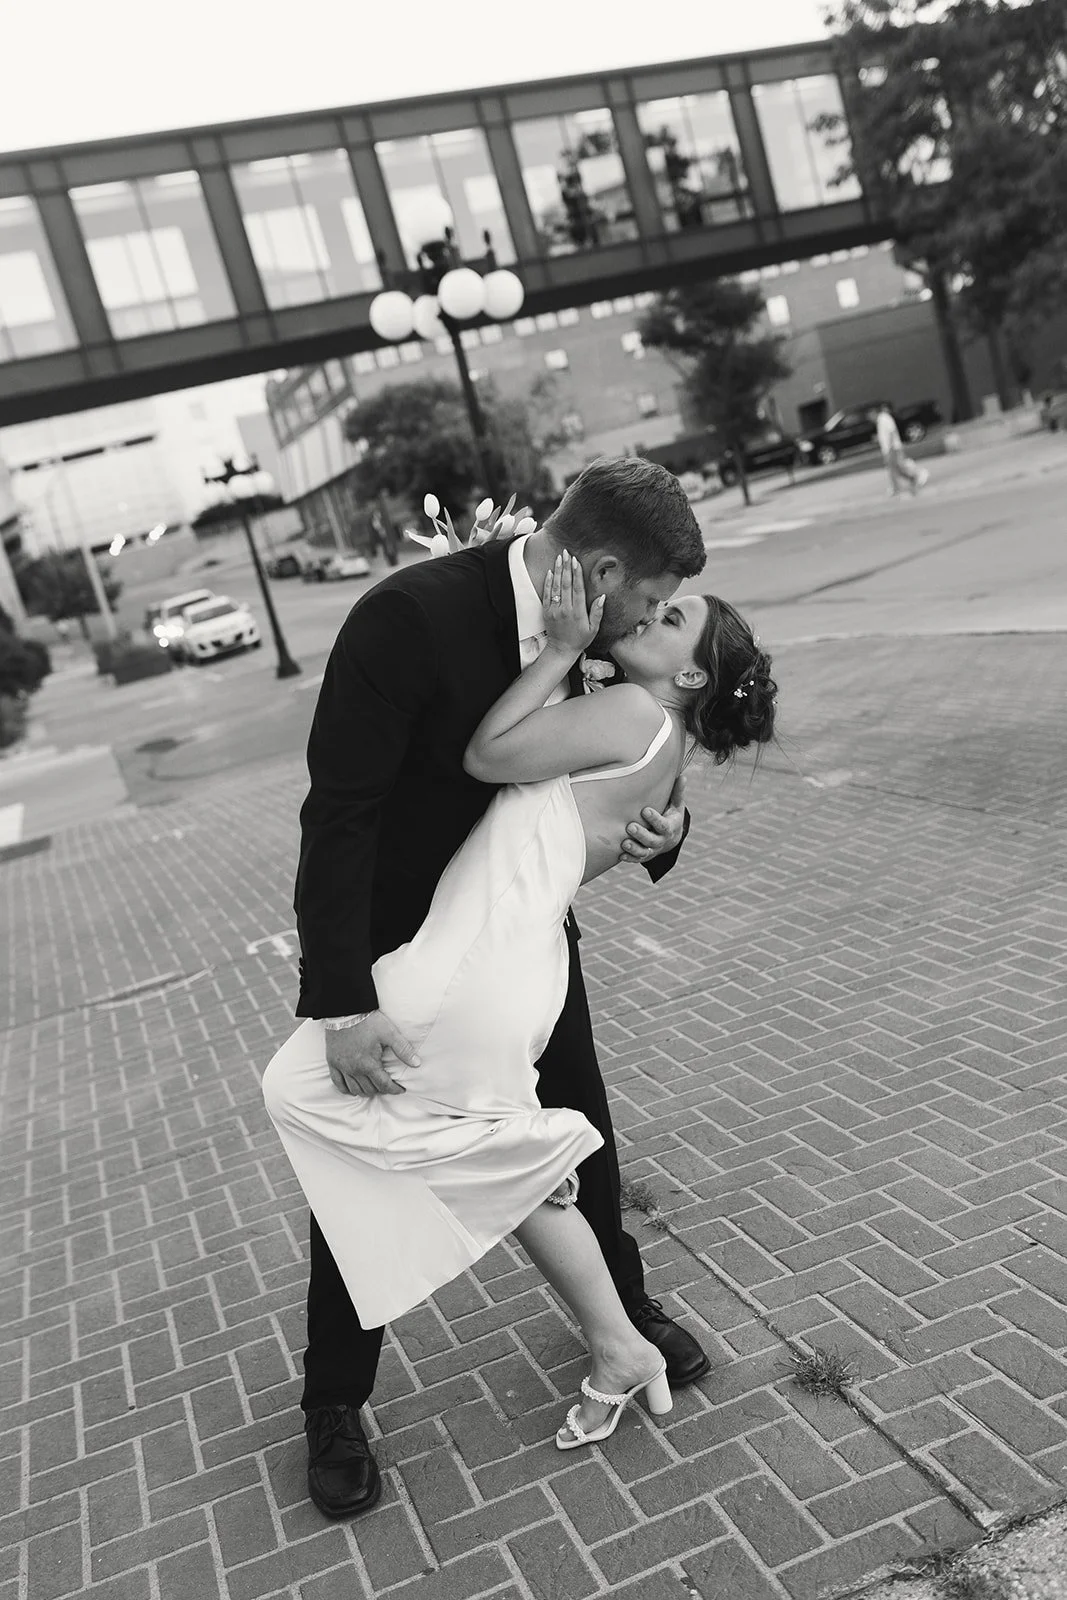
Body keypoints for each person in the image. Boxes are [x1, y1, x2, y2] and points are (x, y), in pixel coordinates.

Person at [265, 539, 775, 1491]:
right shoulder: (415, 614)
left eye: (669, 612)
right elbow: (337, 811)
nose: (645, 616)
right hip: (419, 937)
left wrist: (670, 826)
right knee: (418, 1132)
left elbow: (634, 772)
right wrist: (340, 997)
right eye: (656, 600)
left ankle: (620, 1320)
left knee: (557, 1140)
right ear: (608, 566)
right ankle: (337, 1399)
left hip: (503, 950)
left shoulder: (611, 670)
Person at [876, 403, 929, 496]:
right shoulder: (882, 419)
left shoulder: (884, 418)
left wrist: (891, 447)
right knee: (895, 468)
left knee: (899, 466)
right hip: (890, 448)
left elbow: (891, 432)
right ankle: (898, 486)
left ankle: (916, 476)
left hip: (893, 448)